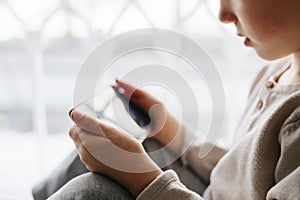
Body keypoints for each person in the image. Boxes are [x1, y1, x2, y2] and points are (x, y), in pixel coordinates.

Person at [48, 0, 300, 199]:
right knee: (131, 146)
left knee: (92, 190)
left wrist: (142, 180)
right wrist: (172, 131)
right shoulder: (275, 70)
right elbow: (238, 175)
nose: (222, 14)